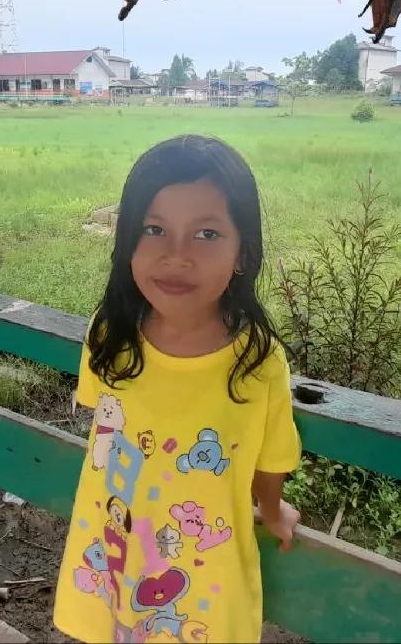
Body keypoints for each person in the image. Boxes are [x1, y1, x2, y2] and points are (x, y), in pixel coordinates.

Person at [54, 134, 301, 644]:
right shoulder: (109, 334)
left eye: (207, 233)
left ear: (242, 253)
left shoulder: (257, 361)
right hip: (116, 551)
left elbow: (271, 460)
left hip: (203, 579)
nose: (176, 255)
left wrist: (273, 513)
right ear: (128, 244)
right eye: (154, 229)